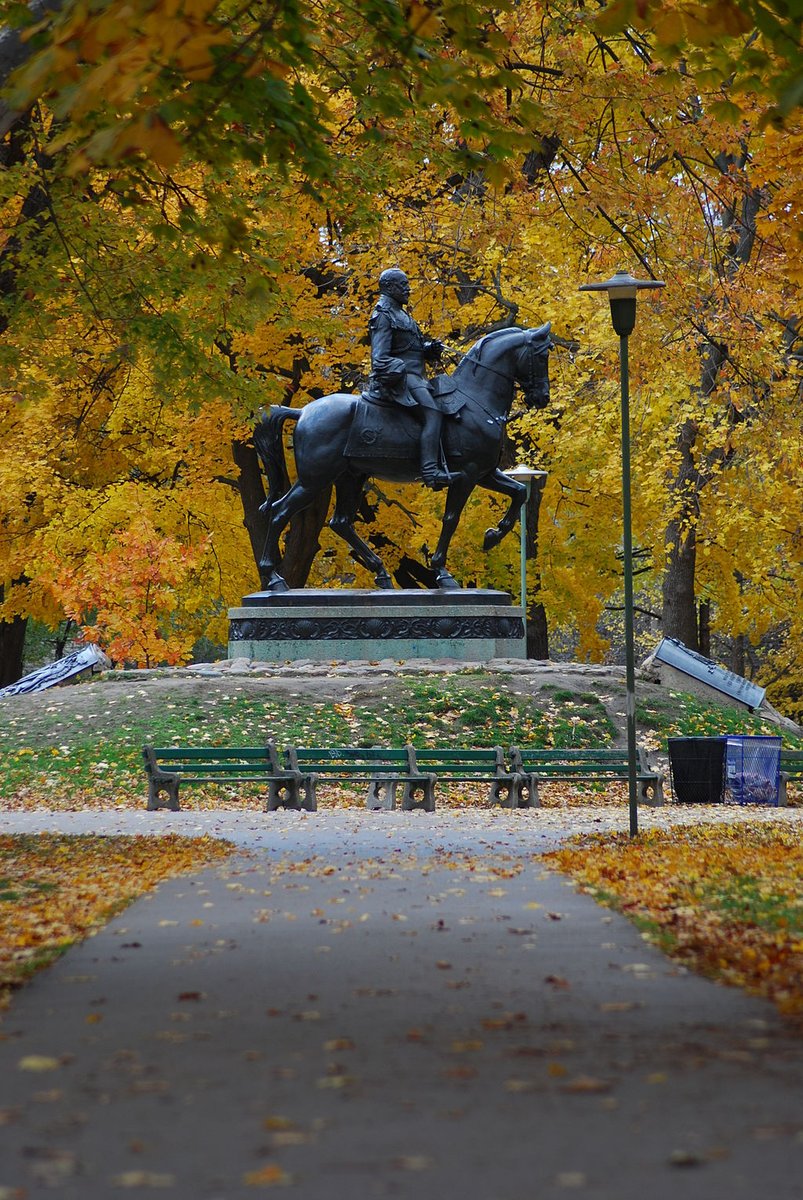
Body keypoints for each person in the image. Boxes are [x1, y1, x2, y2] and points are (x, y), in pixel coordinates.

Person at [365, 268, 453, 490]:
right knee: (433, 413)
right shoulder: (383, 315)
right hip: (401, 379)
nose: (408, 289)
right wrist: (402, 368)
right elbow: (380, 358)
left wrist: (427, 349)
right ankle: (430, 471)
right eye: (403, 285)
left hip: (416, 377)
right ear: (389, 287)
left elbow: (407, 347)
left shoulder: (401, 314)